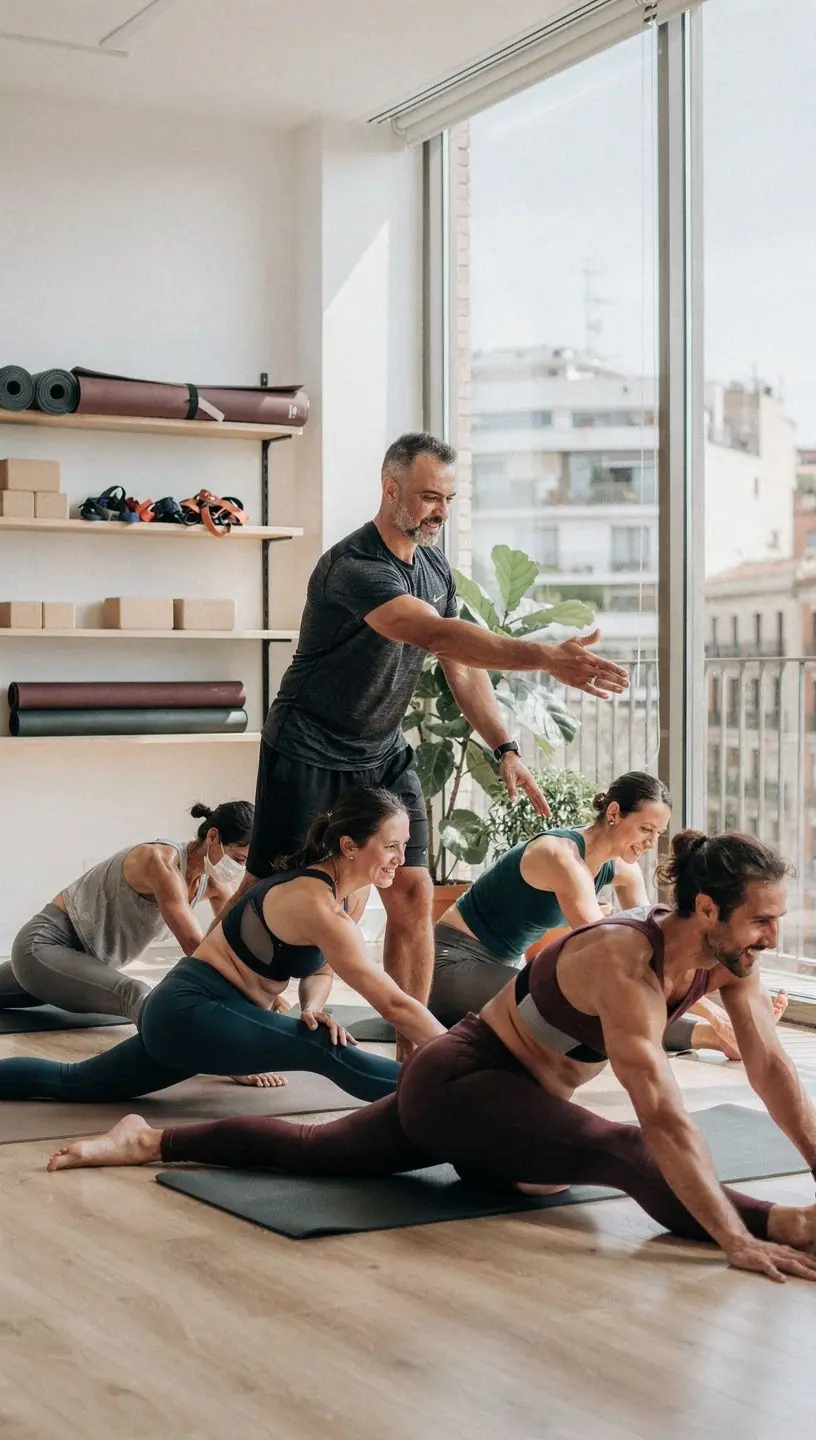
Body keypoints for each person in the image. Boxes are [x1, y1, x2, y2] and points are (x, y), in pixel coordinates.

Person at [58, 830, 816, 1287]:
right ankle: (787, 1226)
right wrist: (738, 1235)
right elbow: (658, 1116)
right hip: (461, 1083)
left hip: (509, 1113)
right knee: (621, 1148)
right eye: (763, 921)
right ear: (708, 910)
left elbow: (771, 1069)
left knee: (320, 1151)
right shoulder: (626, 959)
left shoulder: (730, 960)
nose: (771, 940)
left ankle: (151, 1139)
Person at [230, 431, 629, 1054]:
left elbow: (458, 664)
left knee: (412, 892)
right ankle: (226, 1018)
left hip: (382, 752)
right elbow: (435, 633)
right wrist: (546, 658)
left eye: (448, 498)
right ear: (390, 489)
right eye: (426, 497)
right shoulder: (354, 567)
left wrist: (504, 747)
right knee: (264, 898)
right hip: (308, 747)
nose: (439, 511)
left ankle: (414, 1053)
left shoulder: (432, 565)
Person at [0, 789, 445, 1109]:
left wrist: (312, 1006)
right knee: (325, 1051)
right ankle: (455, 1097)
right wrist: (464, 1059)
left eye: (404, 846)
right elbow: (392, 1001)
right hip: (192, 1010)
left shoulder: (343, 895)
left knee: (72, 1082)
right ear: (350, 845)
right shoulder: (314, 901)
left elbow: (321, 969)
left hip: (188, 1015)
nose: (400, 859)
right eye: (390, 846)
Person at [429, 771, 788, 1058]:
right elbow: (606, 956)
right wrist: (712, 1014)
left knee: (622, 991)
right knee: (600, 999)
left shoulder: (621, 870)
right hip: (452, 964)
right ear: (614, 813)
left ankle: (726, 1034)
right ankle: (714, 1037)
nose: (651, 842)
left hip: (505, 967)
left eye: (658, 833)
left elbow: (658, 951)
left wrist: (723, 992)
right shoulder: (560, 856)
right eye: (646, 829)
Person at [0, 800, 254, 1023]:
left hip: (86, 962)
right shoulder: (162, 863)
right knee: (135, 993)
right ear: (212, 837)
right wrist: (249, 992)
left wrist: (262, 990)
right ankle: (213, 1058)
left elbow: (230, 942)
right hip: (45, 947)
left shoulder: (214, 882)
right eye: (239, 859)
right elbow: (195, 948)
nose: (237, 868)